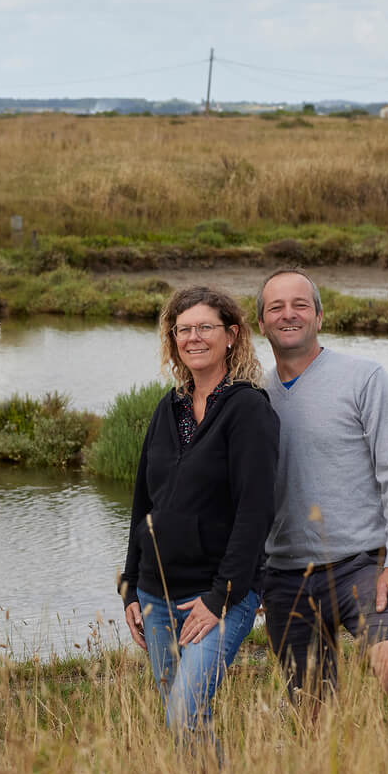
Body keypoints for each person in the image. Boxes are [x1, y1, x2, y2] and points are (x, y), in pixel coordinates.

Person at [255, 267, 388, 723]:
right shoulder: (253, 397)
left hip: (363, 565)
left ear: (319, 317)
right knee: (312, 710)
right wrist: (251, 571)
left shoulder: (364, 378)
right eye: (276, 307)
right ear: (261, 323)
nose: (288, 314)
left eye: (300, 305)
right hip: (285, 577)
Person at [119, 285, 279, 749]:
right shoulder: (167, 408)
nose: (193, 338)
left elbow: (255, 512)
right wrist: (130, 585)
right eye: (183, 329)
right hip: (155, 596)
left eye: (205, 327)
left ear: (232, 335)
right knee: (186, 723)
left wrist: (220, 597)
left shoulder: (249, 409)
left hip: (216, 596)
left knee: (185, 713)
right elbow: (142, 503)